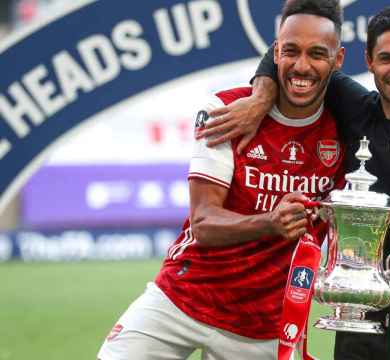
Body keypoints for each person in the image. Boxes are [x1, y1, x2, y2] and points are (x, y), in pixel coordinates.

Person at [201, 6, 390, 360]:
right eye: (387, 58)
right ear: (367, 60)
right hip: (354, 328)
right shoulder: (352, 108)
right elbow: (286, 53)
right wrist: (261, 97)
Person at [97, 1, 348, 359]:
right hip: (184, 296)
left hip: (265, 325)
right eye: (290, 51)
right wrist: (270, 222)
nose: (301, 66)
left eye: (317, 54)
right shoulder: (226, 110)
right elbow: (203, 222)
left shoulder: (349, 128)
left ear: (338, 60)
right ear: (275, 51)